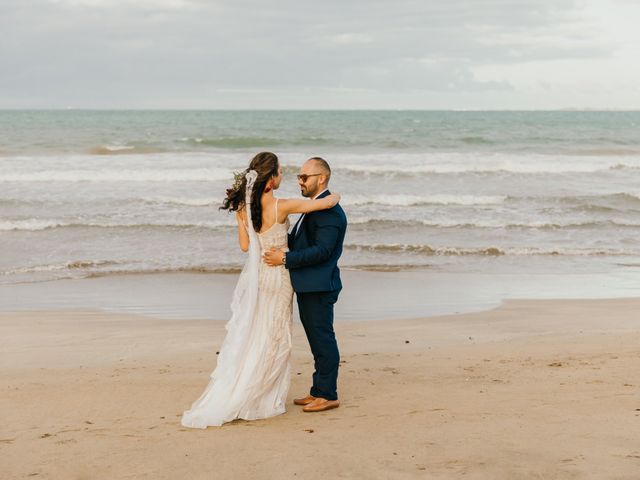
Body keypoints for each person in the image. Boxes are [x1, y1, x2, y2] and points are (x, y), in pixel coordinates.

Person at [181, 152, 340, 428]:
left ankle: (309, 391)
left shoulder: (246, 209)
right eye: (282, 173)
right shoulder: (281, 205)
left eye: (303, 176)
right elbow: (323, 204)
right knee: (274, 335)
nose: (290, 178)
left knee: (259, 332)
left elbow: (245, 247)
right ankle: (261, 394)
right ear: (270, 178)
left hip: (262, 276)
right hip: (278, 276)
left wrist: (242, 219)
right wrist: (332, 198)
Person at [263, 157, 347, 412]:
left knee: (323, 339)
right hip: (310, 284)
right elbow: (302, 240)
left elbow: (322, 251)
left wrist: (285, 258)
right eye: (298, 177)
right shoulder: (316, 207)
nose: (299, 181)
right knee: (316, 339)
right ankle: (318, 390)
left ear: (321, 178)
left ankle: (328, 394)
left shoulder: (330, 212)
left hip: (320, 286)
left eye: (304, 177)